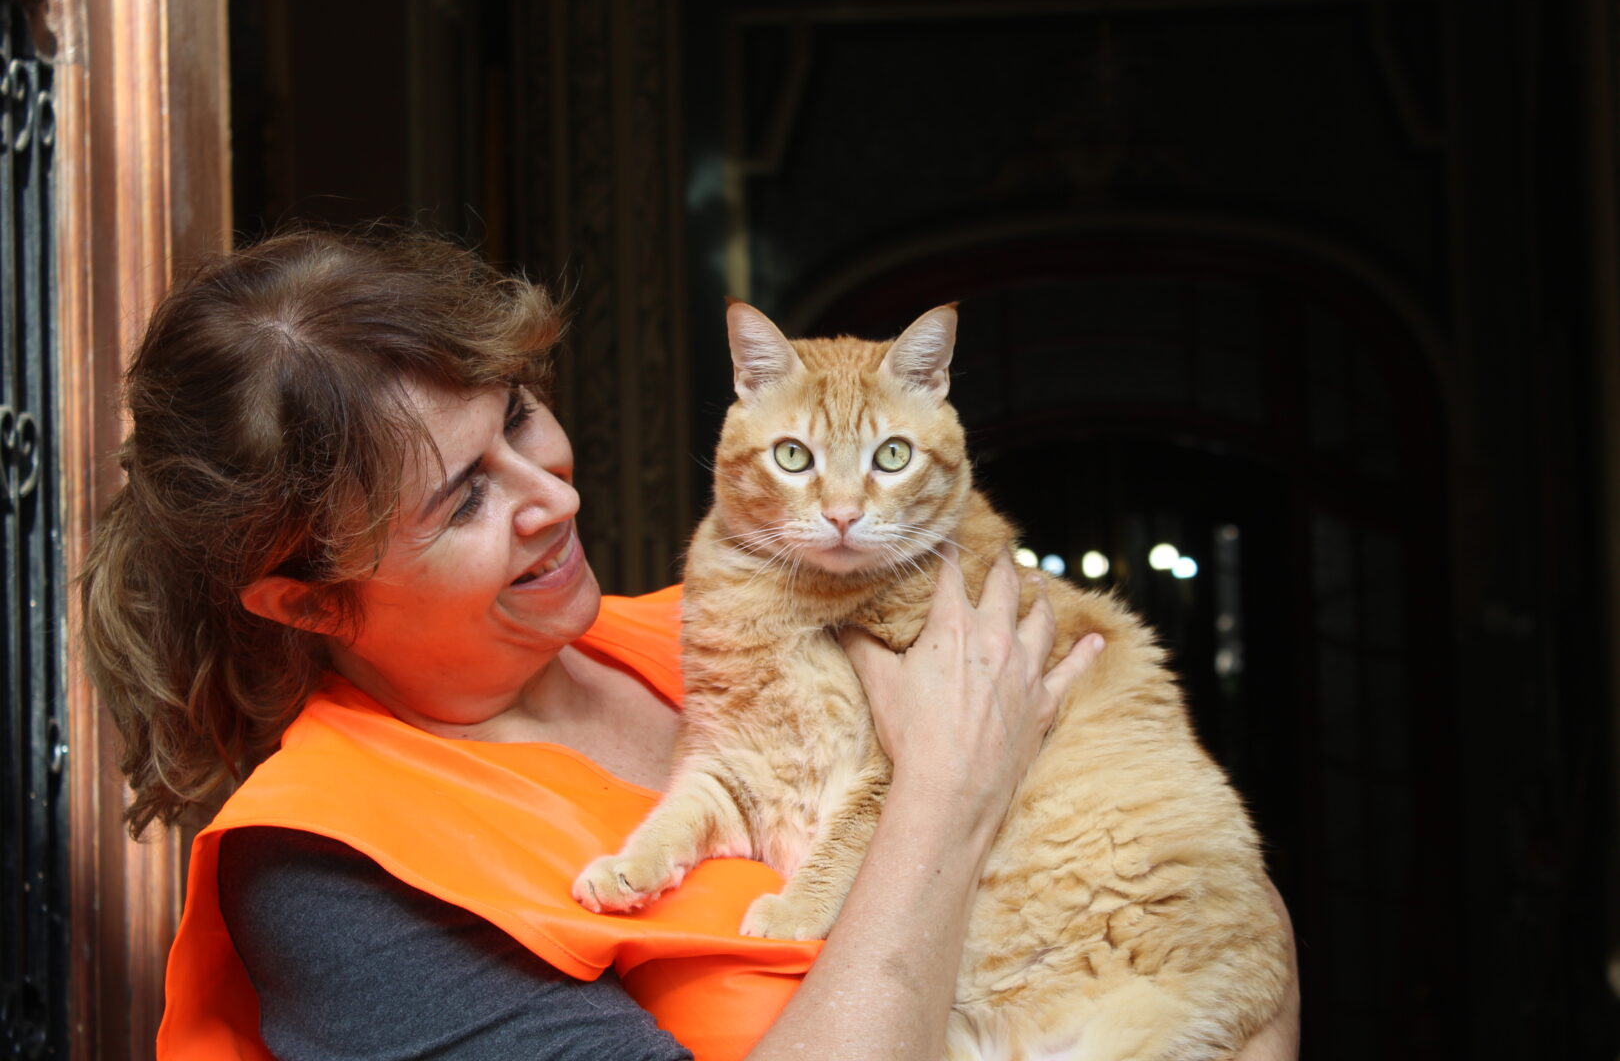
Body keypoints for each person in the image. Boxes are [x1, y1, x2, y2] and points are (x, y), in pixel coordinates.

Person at [82, 230, 1299, 1060]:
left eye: (517, 415)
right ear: (308, 603)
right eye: (462, 500)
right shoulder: (331, 871)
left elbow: (1219, 921)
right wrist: (948, 795)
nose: (549, 492)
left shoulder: (724, 622)